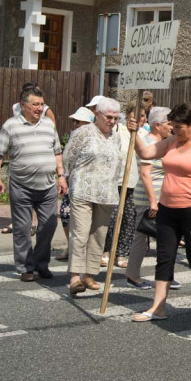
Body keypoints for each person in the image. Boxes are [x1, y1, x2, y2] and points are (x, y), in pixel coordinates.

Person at [129, 103, 191, 321]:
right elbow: (146, 152)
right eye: (173, 126)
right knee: (164, 256)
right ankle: (158, 307)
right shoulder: (171, 141)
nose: (174, 131)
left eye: (179, 127)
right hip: (167, 208)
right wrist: (134, 133)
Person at [0, 86, 65, 282]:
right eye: (35, 104)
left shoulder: (49, 125)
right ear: (23, 106)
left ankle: (41, 264)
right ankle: (25, 267)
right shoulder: (10, 126)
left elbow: (57, 152)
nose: (40, 108)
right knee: (22, 229)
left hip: (47, 186)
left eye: (42, 104)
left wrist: (61, 176)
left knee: (48, 226)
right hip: (21, 186)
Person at [63, 97, 123, 296]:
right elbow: (68, 158)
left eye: (115, 118)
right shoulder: (83, 132)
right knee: (80, 233)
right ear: (97, 114)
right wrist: (69, 178)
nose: (112, 121)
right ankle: (74, 277)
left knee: (98, 235)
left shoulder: (116, 136)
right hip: (83, 190)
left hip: (106, 193)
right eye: (108, 117)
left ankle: (89, 274)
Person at [126, 106, 172, 290]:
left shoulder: (163, 142)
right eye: (169, 123)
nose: (171, 127)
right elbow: (145, 174)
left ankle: (164, 276)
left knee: (164, 238)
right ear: (157, 125)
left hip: (161, 197)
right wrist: (153, 201)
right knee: (141, 237)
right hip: (148, 198)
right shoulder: (148, 142)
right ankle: (132, 275)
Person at [102, 99, 143, 269]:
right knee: (111, 218)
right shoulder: (117, 130)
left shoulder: (143, 133)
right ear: (127, 114)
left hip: (134, 182)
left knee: (128, 218)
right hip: (115, 180)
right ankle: (106, 251)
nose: (139, 118)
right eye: (136, 114)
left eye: (143, 115)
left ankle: (121, 253)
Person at [56, 106, 95, 262]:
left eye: (78, 121)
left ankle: (84, 250)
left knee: (85, 218)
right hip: (70, 179)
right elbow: (67, 158)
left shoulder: (94, 137)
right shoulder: (74, 135)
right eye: (74, 121)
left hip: (87, 183)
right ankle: (70, 246)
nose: (75, 124)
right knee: (65, 213)